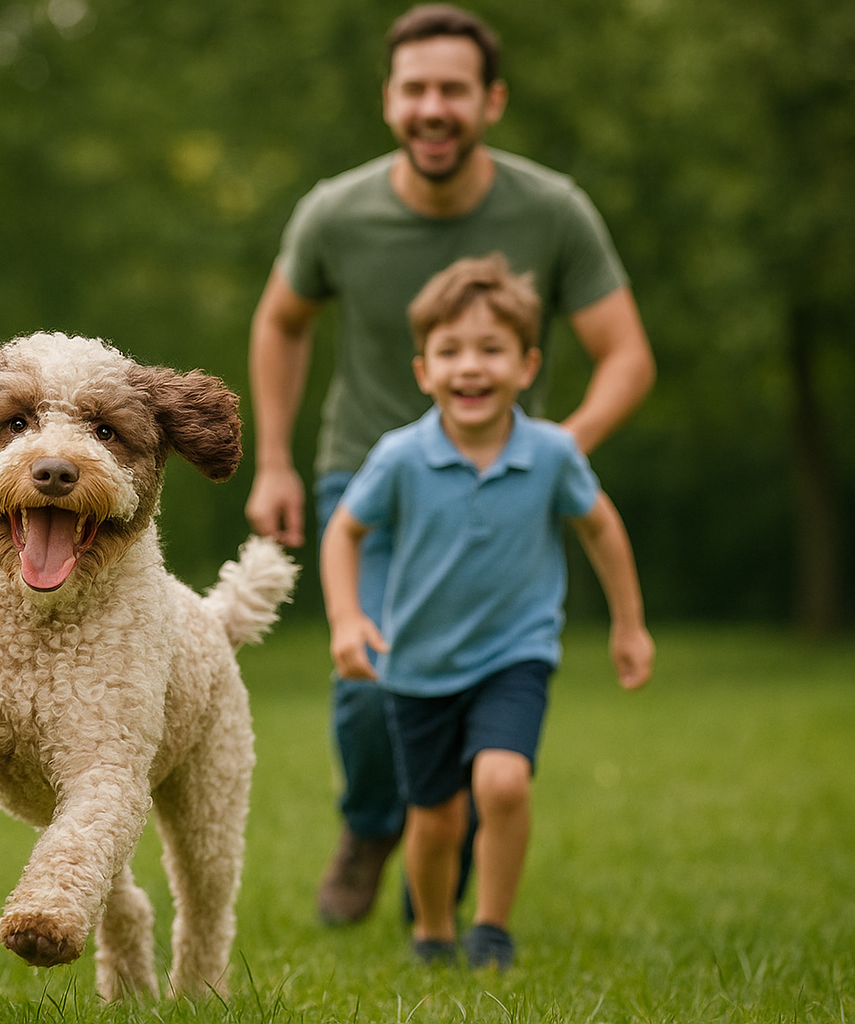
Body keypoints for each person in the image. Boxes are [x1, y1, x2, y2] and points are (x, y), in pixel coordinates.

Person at [245, 3, 656, 926]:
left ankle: (441, 882)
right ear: (389, 99)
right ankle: (369, 826)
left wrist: (552, 453)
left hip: (494, 488)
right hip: (369, 478)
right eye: (416, 89)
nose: (434, 108)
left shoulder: (552, 210)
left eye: (454, 91)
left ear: (491, 101)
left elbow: (627, 356)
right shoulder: (336, 211)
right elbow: (280, 321)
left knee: (481, 685)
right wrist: (273, 460)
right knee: (368, 680)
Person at [319, 253, 653, 969]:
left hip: (514, 653)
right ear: (423, 371)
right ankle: (434, 932)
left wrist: (628, 624)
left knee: (502, 782)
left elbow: (600, 527)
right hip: (418, 664)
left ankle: (492, 929)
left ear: (527, 366)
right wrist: (347, 619)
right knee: (437, 817)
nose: (470, 367)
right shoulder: (400, 456)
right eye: (450, 352)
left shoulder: (553, 453)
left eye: (491, 350)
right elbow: (344, 531)